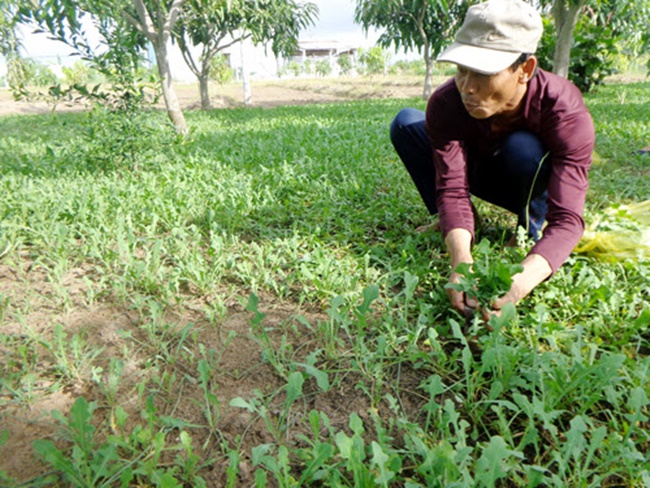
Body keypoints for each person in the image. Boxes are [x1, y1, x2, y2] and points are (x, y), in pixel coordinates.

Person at [390, 0, 595, 317]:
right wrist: (461, 261)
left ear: (524, 70)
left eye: (483, 74)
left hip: (527, 182)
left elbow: (568, 220)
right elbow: (452, 186)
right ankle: (463, 222)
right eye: (461, 70)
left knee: (523, 148)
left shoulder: (562, 108)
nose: (467, 88)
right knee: (406, 123)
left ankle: (529, 228)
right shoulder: (447, 102)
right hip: (480, 170)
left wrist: (520, 282)